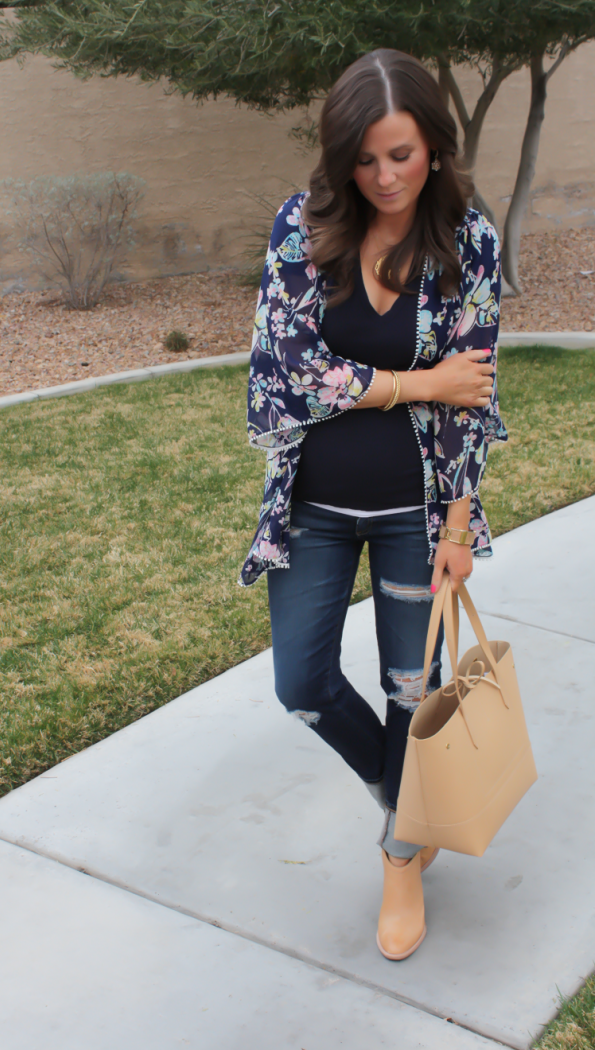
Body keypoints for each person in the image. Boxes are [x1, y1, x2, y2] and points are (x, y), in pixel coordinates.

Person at [240, 48, 508, 961]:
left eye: (401, 153)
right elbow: (291, 371)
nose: (384, 176)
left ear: (433, 143)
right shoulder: (300, 225)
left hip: (413, 511)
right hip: (311, 507)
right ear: (339, 156)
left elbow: (472, 394)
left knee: (410, 692)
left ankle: (400, 860)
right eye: (364, 158)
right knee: (300, 683)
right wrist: (417, 379)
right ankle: (404, 802)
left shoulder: (467, 239)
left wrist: (460, 525)